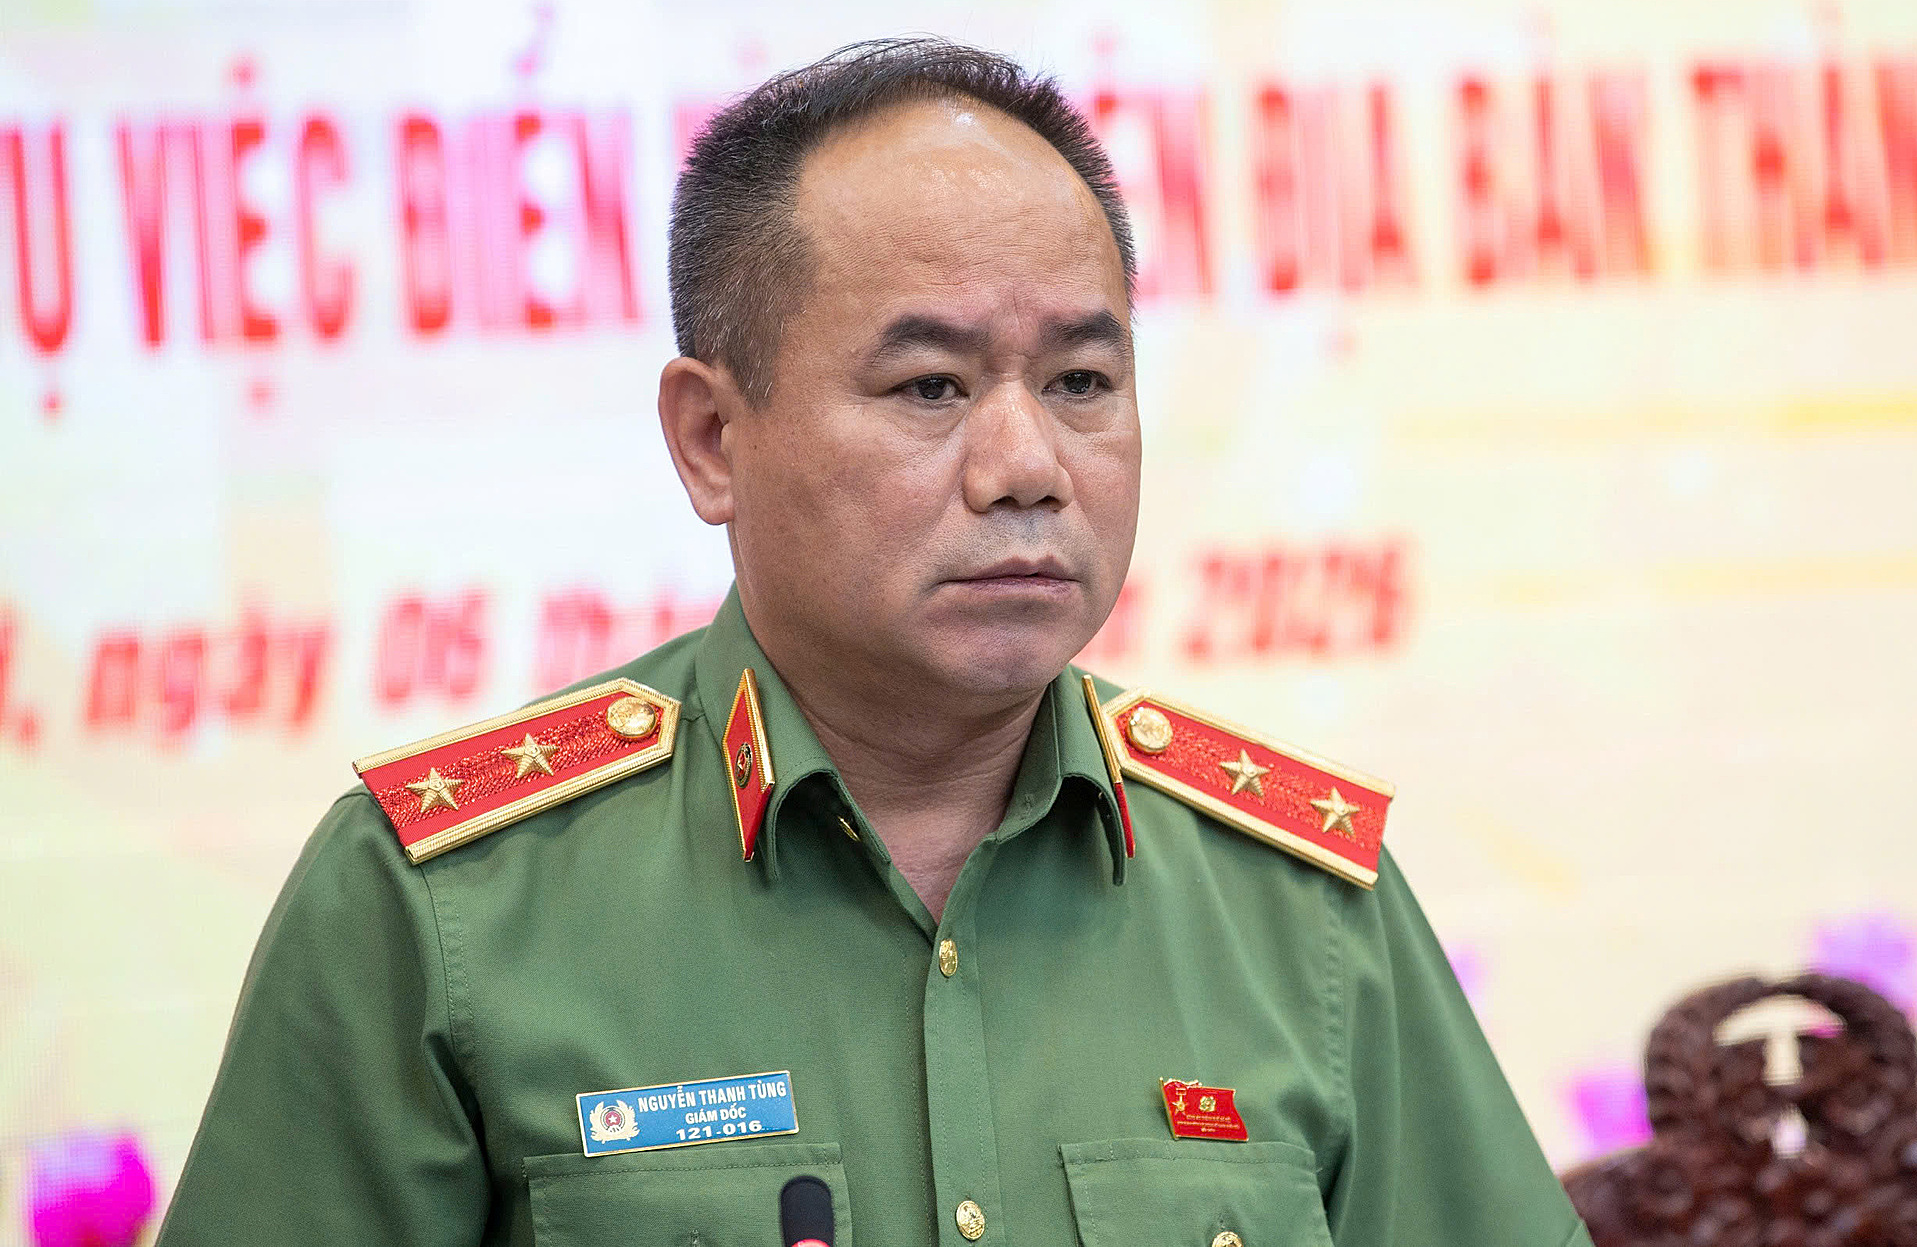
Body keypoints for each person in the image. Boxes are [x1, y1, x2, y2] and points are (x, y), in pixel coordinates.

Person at [158, 38, 1594, 1247]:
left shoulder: (1300, 912)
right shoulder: (447, 906)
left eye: (1082, 380)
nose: (1027, 465)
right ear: (711, 440)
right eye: (930, 387)